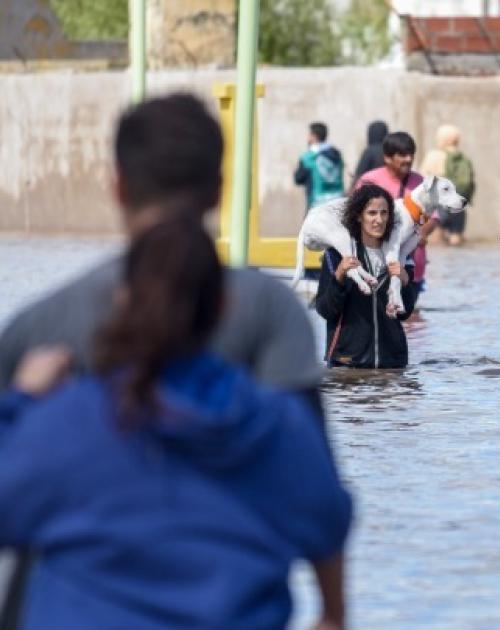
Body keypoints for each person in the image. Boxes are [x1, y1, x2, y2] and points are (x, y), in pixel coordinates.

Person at [0, 94, 327, 629]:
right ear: (220, 190)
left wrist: (24, 400)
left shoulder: (39, 329)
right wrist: (333, 611)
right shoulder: (268, 311)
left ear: (118, 186)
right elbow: (313, 490)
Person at [315, 184, 417, 369]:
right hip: (346, 364)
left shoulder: (400, 255)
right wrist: (339, 275)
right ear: (358, 216)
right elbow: (325, 309)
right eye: (372, 213)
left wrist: (405, 280)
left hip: (392, 364)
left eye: (384, 213)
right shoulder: (336, 255)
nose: (379, 220)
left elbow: (405, 312)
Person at [357, 131, 436, 296]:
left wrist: (421, 233)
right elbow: (356, 217)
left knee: (411, 317)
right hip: (375, 265)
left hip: (413, 266)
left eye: (411, 154)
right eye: (402, 154)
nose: (408, 159)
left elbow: (434, 216)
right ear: (387, 157)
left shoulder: (422, 182)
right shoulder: (369, 181)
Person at [420, 124, 475, 246]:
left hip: (439, 205)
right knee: (456, 239)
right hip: (458, 205)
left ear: (443, 139)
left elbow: (423, 180)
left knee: (437, 242)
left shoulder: (434, 155)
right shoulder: (464, 159)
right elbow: (470, 184)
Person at [294, 121, 345, 212]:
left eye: (309, 134)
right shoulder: (336, 154)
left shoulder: (308, 157)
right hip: (338, 201)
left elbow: (298, 178)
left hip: (317, 203)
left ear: (314, 136)